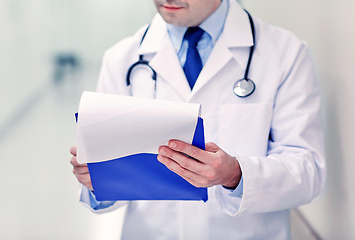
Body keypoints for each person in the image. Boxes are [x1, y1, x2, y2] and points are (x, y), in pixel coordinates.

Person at [70, 0, 326, 239]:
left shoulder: (286, 54)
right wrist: (98, 181)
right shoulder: (121, 59)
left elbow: (308, 169)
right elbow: (110, 187)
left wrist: (236, 175)